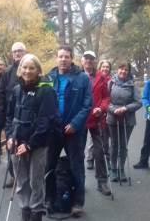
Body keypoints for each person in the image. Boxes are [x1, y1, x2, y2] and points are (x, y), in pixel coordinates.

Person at [6, 54, 58, 221]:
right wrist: (9, 137)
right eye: (24, 67)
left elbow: (45, 122)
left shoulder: (46, 91)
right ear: (20, 70)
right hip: (16, 142)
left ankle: (36, 214)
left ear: (38, 71)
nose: (27, 71)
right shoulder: (16, 90)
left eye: (31, 68)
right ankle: (25, 211)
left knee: (36, 182)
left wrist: (29, 144)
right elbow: (9, 117)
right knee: (21, 181)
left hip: (37, 144)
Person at [45, 45, 92, 217]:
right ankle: (48, 199)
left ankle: (77, 203)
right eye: (60, 56)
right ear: (56, 58)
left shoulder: (83, 79)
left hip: (74, 130)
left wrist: (75, 124)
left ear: (72, 58)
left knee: (76, 166)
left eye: (66, 56)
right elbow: (43, 104)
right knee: (49, 165)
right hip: (54, 130)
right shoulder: (48, 77)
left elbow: (87, 105)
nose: (63, 59)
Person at [0, 42, 27, 187]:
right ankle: (13, 175)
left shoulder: (31, 68)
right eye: (14, 51)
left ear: (25, 52)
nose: (17, 54)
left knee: (27, 145)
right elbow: (1, 95)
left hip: (27, 116)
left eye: (20, 51)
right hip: (11, 116)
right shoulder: (7, 73)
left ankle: (27, 176)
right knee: (11, 145)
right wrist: (1, 116)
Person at [82, 51, 111, 196]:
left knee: (99, 151)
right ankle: (79, 182)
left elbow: (106, 97)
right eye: (86, 58)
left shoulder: (101, 77)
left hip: (96, 119)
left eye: (91, 59)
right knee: (77, 153)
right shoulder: (76, 74)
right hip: (79, 120)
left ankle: (102, 182)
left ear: (95, 61)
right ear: (82, 60)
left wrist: (102, 107)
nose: (88, 61)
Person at [107, 61, 141, 182]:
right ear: (117, 70)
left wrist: (125, 108)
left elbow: (138, 102)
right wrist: (113, 109)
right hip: (113, 118)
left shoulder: (133, 84)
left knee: (123, 145)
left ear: (128, 71)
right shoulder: (111, 82)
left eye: (126, 69)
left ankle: (121, 169)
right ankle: (113, 169)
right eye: (121, 69)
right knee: (114, 144)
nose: (123, 71)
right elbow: (106, 100)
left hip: (128, 119)